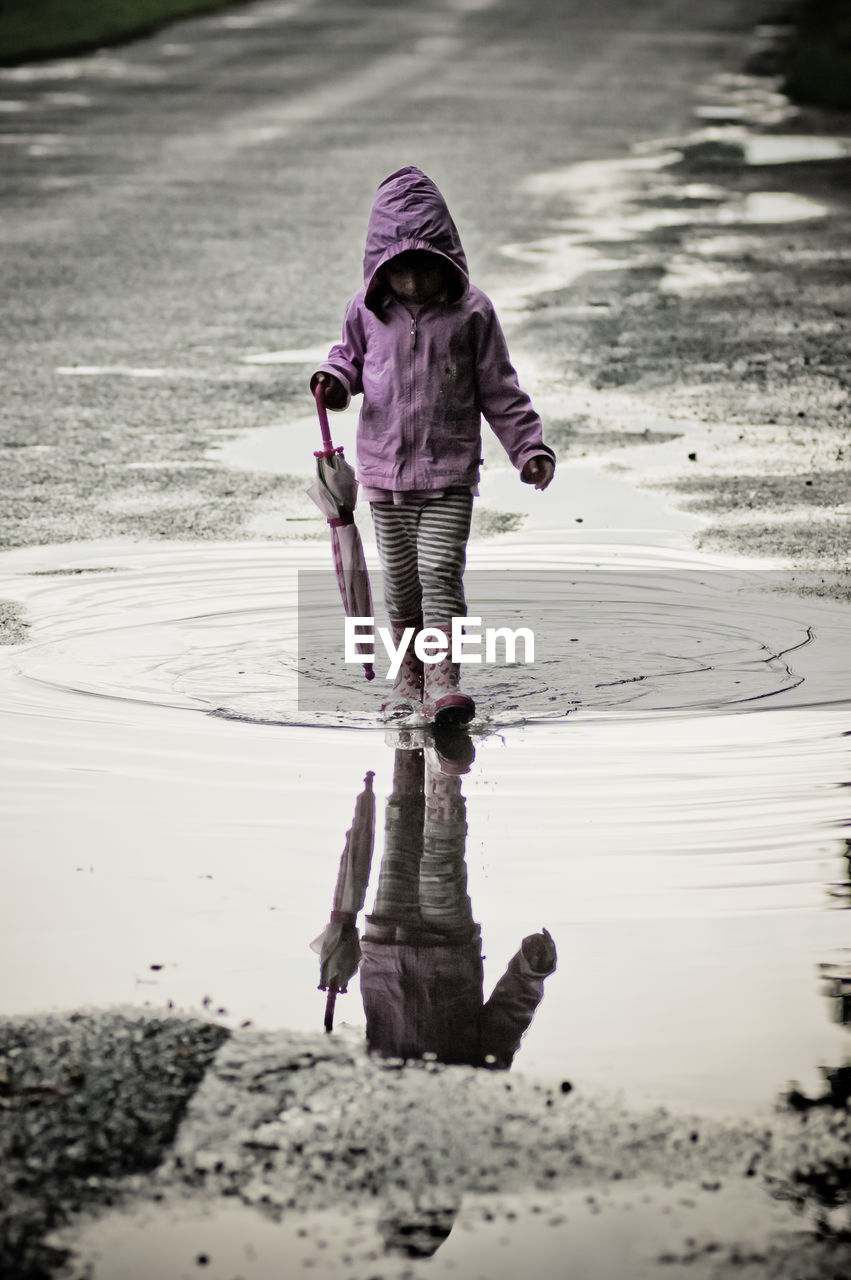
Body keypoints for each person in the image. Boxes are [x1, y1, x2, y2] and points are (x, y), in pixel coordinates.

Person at [310, 166, 555, 725]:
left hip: (448, 475)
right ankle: (408, 678)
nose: (415, 284)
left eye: (426, 267)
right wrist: (334, 378)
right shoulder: (366, 311)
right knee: (400, 588)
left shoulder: (472, 313)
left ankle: (444, 684)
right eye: (401, 271)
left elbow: (500, 388)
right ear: (380, 267)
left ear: (446, 257)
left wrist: (528, 448)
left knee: (440, 572)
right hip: (382, 477)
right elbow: (349, 357)